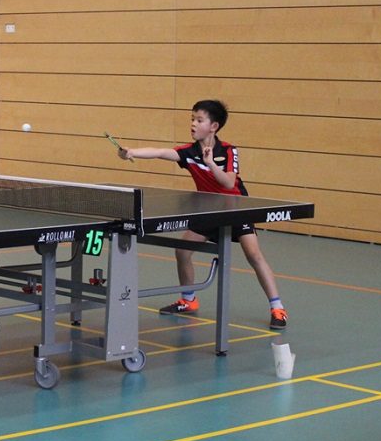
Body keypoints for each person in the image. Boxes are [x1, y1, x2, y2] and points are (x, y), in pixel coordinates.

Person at [117, 99, 288, 330]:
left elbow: (229, 183)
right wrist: (131, 152)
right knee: (182, 252)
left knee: (254, 255)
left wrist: (210, 163)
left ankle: (277, 308)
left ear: (213, 126)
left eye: (199, 120)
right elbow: (160, 152)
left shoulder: (228, 150)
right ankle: (188, 300)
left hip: (236, 209)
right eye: (192, 119)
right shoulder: (189, 152)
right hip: (208, 211)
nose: (193, 124)